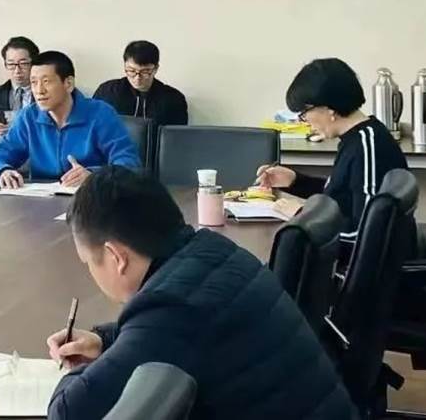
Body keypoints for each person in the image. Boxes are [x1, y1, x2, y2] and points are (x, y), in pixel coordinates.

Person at [45, 166, 357, 420]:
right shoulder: (212, 251)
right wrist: (105, 342)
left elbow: (69, 411)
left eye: (89, 262)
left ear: (116, 257)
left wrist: (83, 370)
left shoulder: (170, 309)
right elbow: (174, 338)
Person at [256, 58, 411, 241]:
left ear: (328, 109)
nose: (305, 122)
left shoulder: (368, 147)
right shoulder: (358, 137)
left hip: (351, 258)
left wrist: (303, 215)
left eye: (304, 114)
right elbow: (340, 196)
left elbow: (364, 232)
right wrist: (294, 181)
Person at [0, 51, 140, 190]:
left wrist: (93, 176)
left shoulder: (100, 114)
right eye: (34, 82)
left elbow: (129, 164)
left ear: (68, 84)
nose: (39, 91)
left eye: (46, 81)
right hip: (40, 203)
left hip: (90, 200)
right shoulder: (29, 116)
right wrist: (2, 171)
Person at [93, 41, 188, 127]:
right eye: (131, 71)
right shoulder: (107, 91)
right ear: (125, 65)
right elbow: (92, 126)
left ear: (156, 68)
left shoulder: (173, 99)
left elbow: (175, 136)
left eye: (145, 72)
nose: (137, 78)